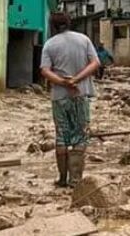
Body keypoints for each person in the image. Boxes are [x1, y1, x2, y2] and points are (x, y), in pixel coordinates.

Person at [40, 12, 100, 188]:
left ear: (52, 26)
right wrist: (76, 80)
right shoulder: (84, 39)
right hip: (81, 94)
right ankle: (76, 181)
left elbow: (44, 70)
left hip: (59, 96)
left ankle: (62, 179)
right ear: (69, 23)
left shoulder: (49, 44)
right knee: (80, 136)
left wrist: (63, 82)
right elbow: (95, 63)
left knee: (61, 136)